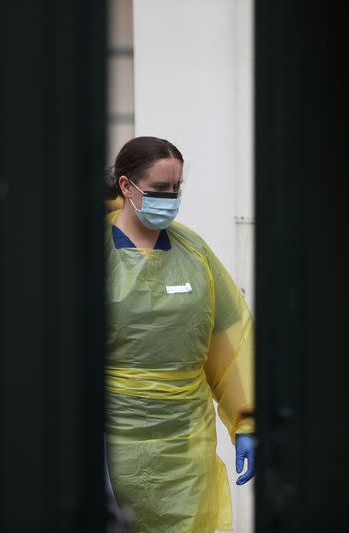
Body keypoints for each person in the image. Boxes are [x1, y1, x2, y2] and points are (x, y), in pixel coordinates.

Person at [104, 136, 255, 532]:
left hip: (187, 445)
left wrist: (246, 421)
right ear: (126, 186)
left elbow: (232, 340)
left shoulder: (193, 252)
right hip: (114, 442)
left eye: (176, 189)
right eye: (158, 190)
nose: (169, 198)